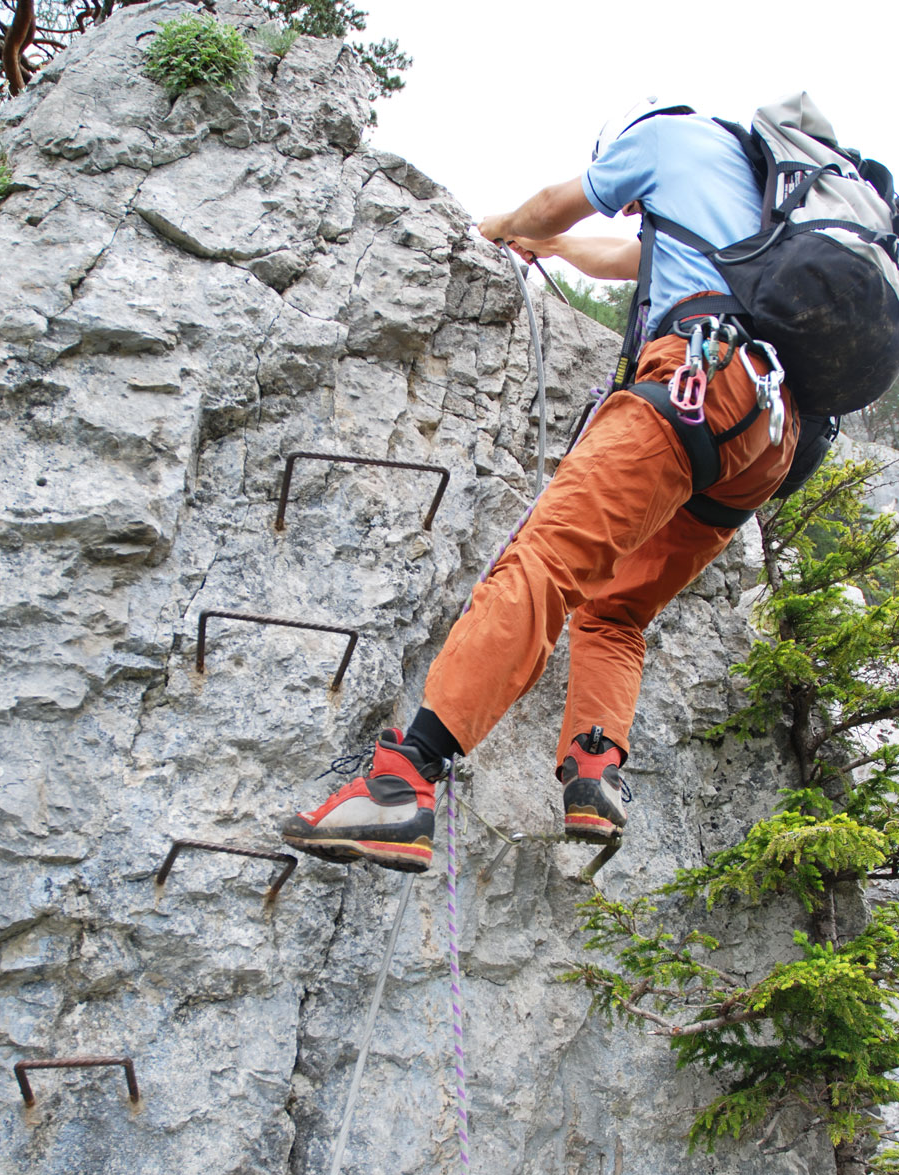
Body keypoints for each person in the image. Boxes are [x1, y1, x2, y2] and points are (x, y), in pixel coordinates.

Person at [282, 98, 800, 874]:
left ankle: (403, 780)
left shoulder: (665, 137)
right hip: (768, 440)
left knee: (546, 561)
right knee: (617, 608)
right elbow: (610, 255)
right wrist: (550, 248)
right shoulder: (756, 213)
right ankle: (594, 775)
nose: (628, 207)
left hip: (699, 380)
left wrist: (500, 228)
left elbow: (565, 199)